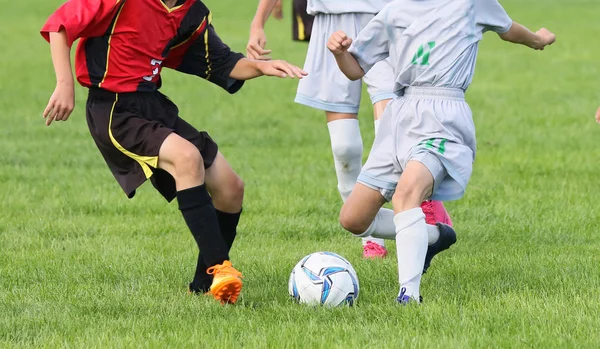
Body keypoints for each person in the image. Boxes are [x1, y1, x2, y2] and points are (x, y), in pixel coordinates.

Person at [40, 0, 306, 305]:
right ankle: (221, 269)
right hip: (114, 110)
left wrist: (260, 67)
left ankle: (203, 287)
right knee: (187, 157)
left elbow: (222, 63)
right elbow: (60, 26)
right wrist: (64, 84)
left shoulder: (191, 13)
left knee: (231, 188)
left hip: (152, 105)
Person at [329, 0, 555, 303]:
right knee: (353, 220)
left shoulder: (471, 4)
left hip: (444, 118)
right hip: (399, 118)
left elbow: (509, 29)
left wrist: (538, 39)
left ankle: (409, 295)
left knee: (406, 194)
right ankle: (433, 235)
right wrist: (340, 53)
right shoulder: (394, 12)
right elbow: (356, 69)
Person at [247, 0, 453, 259]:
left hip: (385, 18)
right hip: (331, 26)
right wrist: (258, 22)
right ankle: (371, 236)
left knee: (390, 133)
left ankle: (423, 202)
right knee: (344, 148)